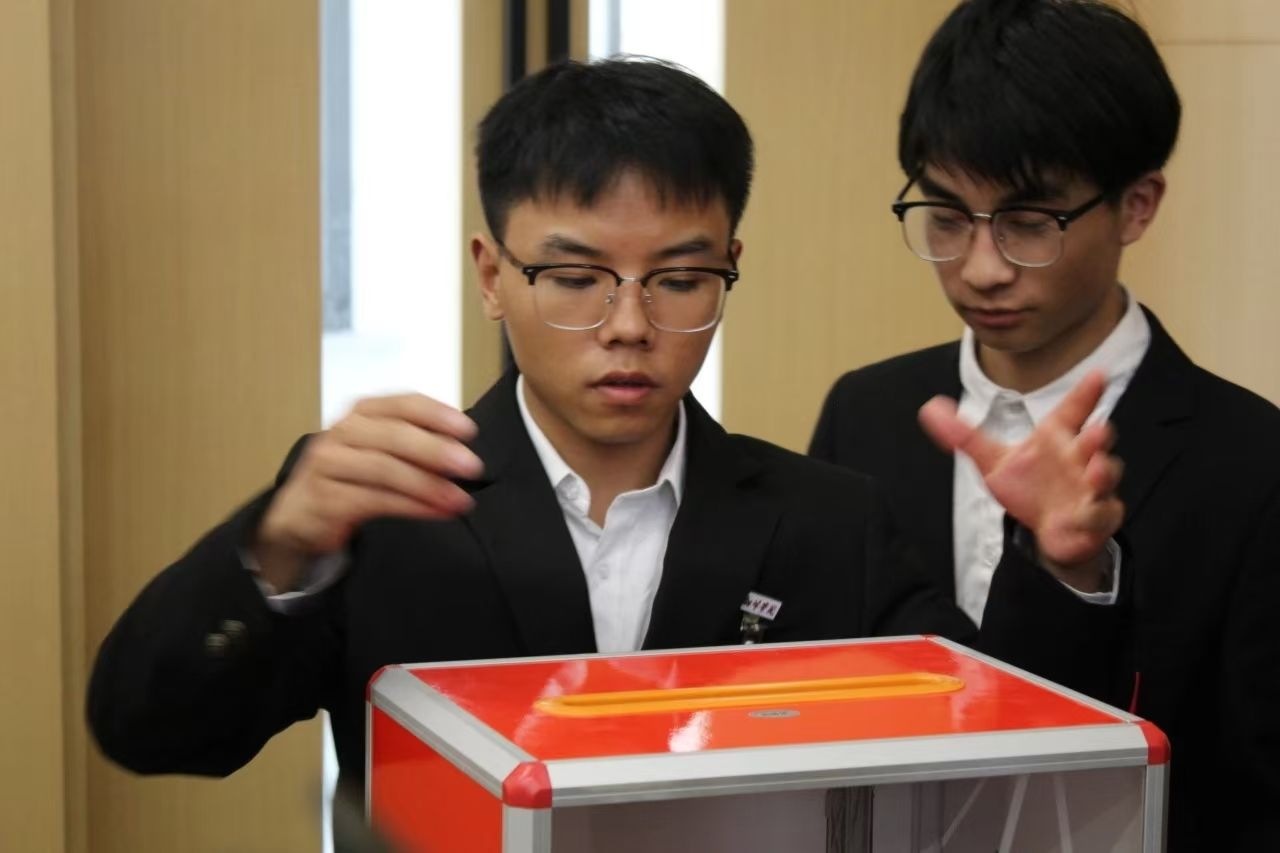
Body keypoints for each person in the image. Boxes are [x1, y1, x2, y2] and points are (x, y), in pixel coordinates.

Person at [89, 57, 1125, 805]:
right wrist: (277, 545)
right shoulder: (383, 503)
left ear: (729, 267)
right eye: (576, 277)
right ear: (492, 275)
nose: (628, 325)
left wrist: (1064, 566)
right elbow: (150, 731)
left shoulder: (828, 518)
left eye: (679, 278)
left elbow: (1001, 760)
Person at [809, 2, 1280, 849]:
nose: (982, 268)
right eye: (947, 217)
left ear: (1136, 205)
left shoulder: (1251, 460)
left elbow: (1256, 792)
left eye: (1029, 224)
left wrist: (1077, 570)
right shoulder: (866, 412)